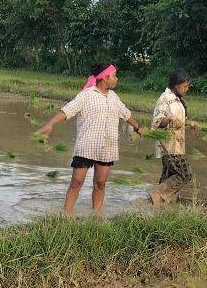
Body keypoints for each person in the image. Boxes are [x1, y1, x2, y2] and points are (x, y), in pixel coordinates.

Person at [34, 63, 143, 216]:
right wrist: (50, 124)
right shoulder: (86, 95)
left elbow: (126, 114)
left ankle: (97, 216)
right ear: (105, 78)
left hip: (107, 146)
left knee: (100, 183)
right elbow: (67, 110)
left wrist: (138, 128)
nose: (117, 79)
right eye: (114, 76)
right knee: (76, 182)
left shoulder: (114, 97)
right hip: (87, 146)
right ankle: (66, 216)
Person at [149, 68, 201, 205]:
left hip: (177, 144)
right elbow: (157, 121)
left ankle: (160, 205)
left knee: (169, 177)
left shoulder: (177, 100)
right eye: (185, 86)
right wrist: (170, 120)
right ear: (176, 85)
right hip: (168, 145)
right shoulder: (165, 99)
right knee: (185, 174)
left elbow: (180, 120)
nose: (187, 89)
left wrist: (190, 123)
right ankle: (158, 194)